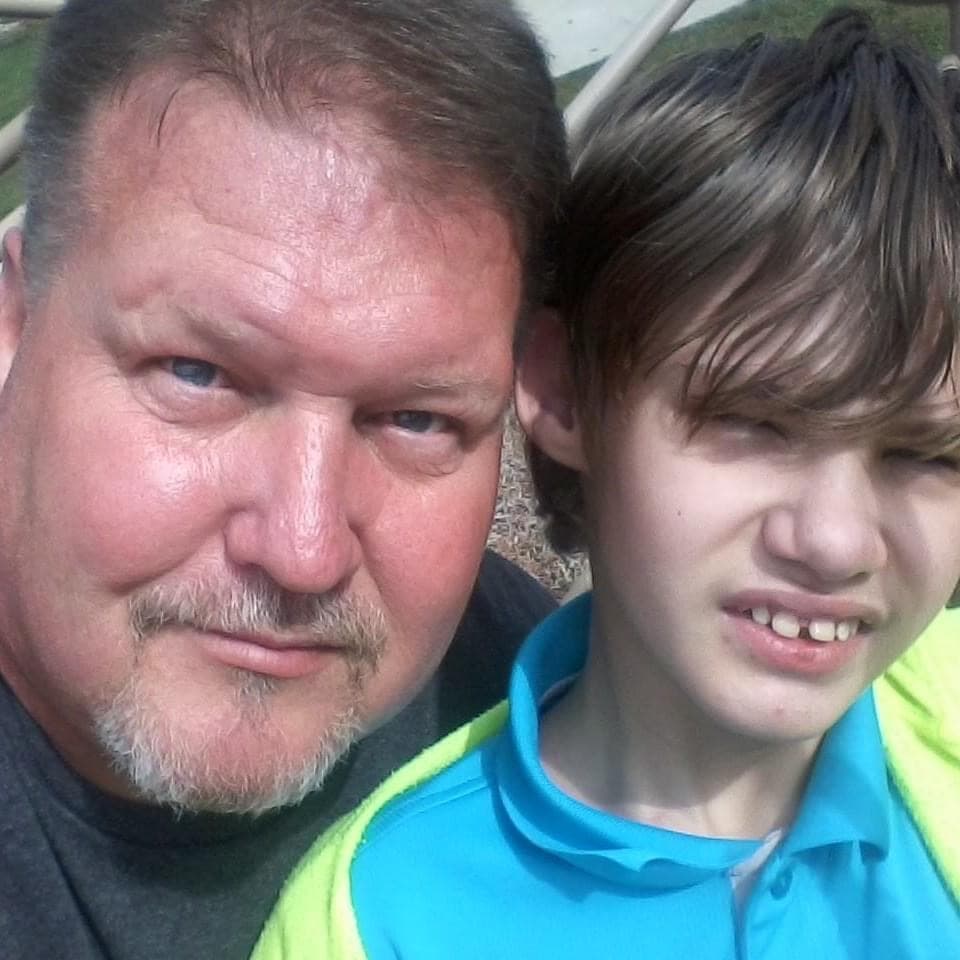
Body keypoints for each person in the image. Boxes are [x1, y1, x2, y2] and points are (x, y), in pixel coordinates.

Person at [254, 11, 960, 958]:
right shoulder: (369, 920)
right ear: (563, 391)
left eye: (927, 455)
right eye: (754, 422)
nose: (836, 541)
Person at [0, 0, 568, 957]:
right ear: (13, 322)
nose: (305, 551)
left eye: (416, 420)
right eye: (198, 374)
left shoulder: (536, 708)